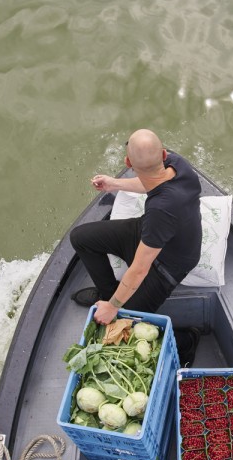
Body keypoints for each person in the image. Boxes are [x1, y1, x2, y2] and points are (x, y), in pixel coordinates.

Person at [69, 129, 202, 325]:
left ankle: (187, 339)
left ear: (128, 163)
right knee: (80, 238)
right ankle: (108, 293)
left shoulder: (161, 209)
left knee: (122, 320)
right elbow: (150, 182)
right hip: (154, 233)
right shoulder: (177, 163)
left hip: (168, 265)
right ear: (164, 155)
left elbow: (140, 269)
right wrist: (113, 183)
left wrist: (114, 307)